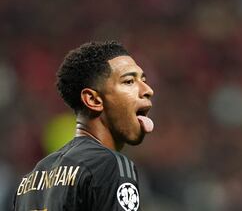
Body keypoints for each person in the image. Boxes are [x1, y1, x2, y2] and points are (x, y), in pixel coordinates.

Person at [13, 41, 155, 211]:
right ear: (93, 100)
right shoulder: (110, 165)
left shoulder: (28, 182)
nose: (147, 90)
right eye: (129, 81)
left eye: (143, 80)